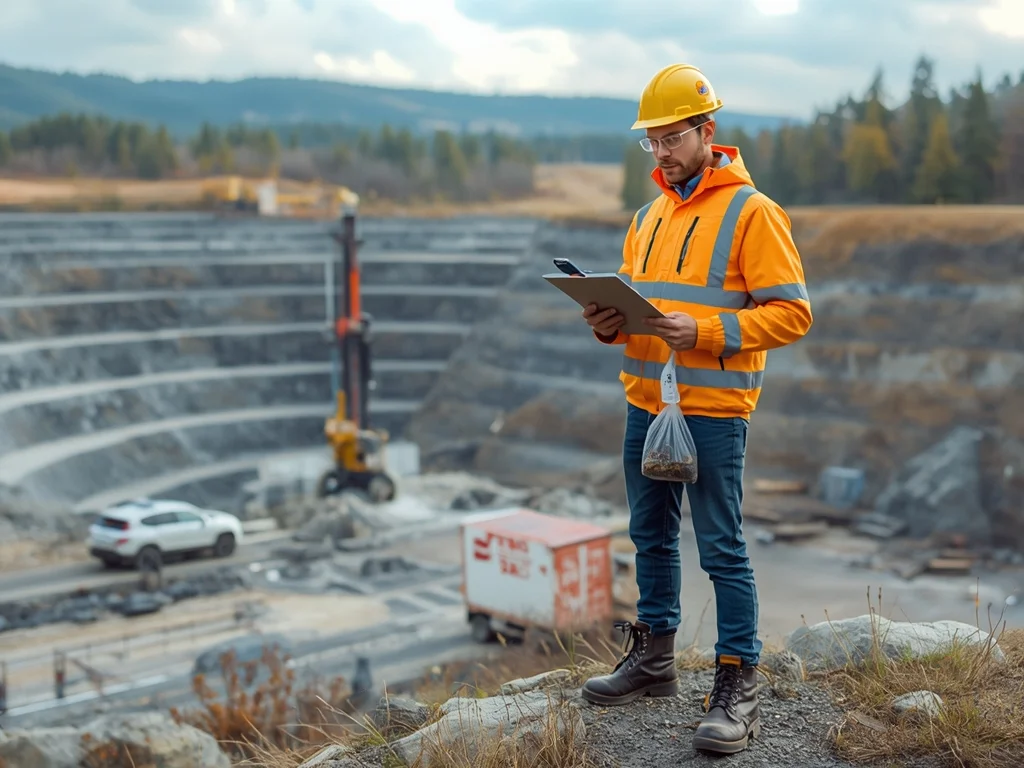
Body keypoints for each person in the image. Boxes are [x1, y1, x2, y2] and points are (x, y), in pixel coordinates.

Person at [579, 63, 813, 755]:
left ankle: (738, 687)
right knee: (648, 537)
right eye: (650, 141)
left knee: (722, 550)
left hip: (713, 410)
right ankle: (653, 661)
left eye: (671, 138)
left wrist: (708, 332)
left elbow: (793, 314)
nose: (660, 152)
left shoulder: (753, 213)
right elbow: (641, 310)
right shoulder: (647, 216)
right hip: (645, 403)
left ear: (708, 131)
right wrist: (607, 322)